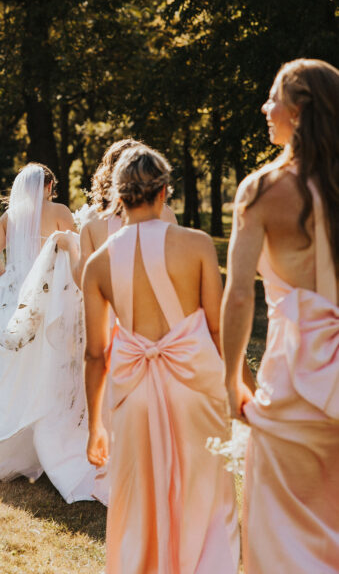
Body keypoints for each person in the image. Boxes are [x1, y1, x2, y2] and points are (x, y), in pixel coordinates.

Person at [84, 144, 239, 574]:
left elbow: (95, 354)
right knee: (208, 498)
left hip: (132, 394)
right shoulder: (197, 244)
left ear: (118, 195)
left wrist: (96, 424)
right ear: (164, 190)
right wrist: (239, 388)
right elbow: (216, 329)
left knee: (139, 506)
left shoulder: (97, 263)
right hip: (196, 385)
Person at [222, 58, 339, 573]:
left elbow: (240, 295)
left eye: (273, 98)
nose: (265, 107)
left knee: (278, 532)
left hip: (292, 383)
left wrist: (230, 379)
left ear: (299, 110)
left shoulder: (264, 190)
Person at [0, 163, 108, 503]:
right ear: (48, 186)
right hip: (52, 300)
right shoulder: (59, 211)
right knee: (49, 370)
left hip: (17, 302)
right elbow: (79, 256)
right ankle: (51, 447)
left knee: (15, 375)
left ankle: (10, 443)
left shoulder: (9, 217)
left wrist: (11, 278)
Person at [72, 138, 177, 287]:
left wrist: (70, 248)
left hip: (111, 307)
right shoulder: (164, 212)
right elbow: (176, 268)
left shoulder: (92, 218)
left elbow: (84, 280)